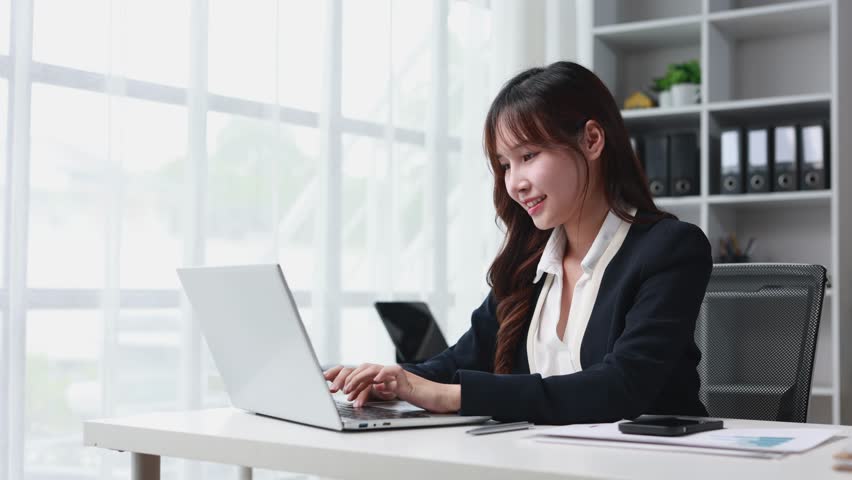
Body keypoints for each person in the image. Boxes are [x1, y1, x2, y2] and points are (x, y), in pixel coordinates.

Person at [323, 61, 712, 425]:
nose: (514, 183)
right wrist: (389, 380)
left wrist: (452, 396)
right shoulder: (529, 265)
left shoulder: (670, 249)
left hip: (651, 462)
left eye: (528, 155)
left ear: (592, 140)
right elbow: (458, 362)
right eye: (505, 165)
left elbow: (622, 387)